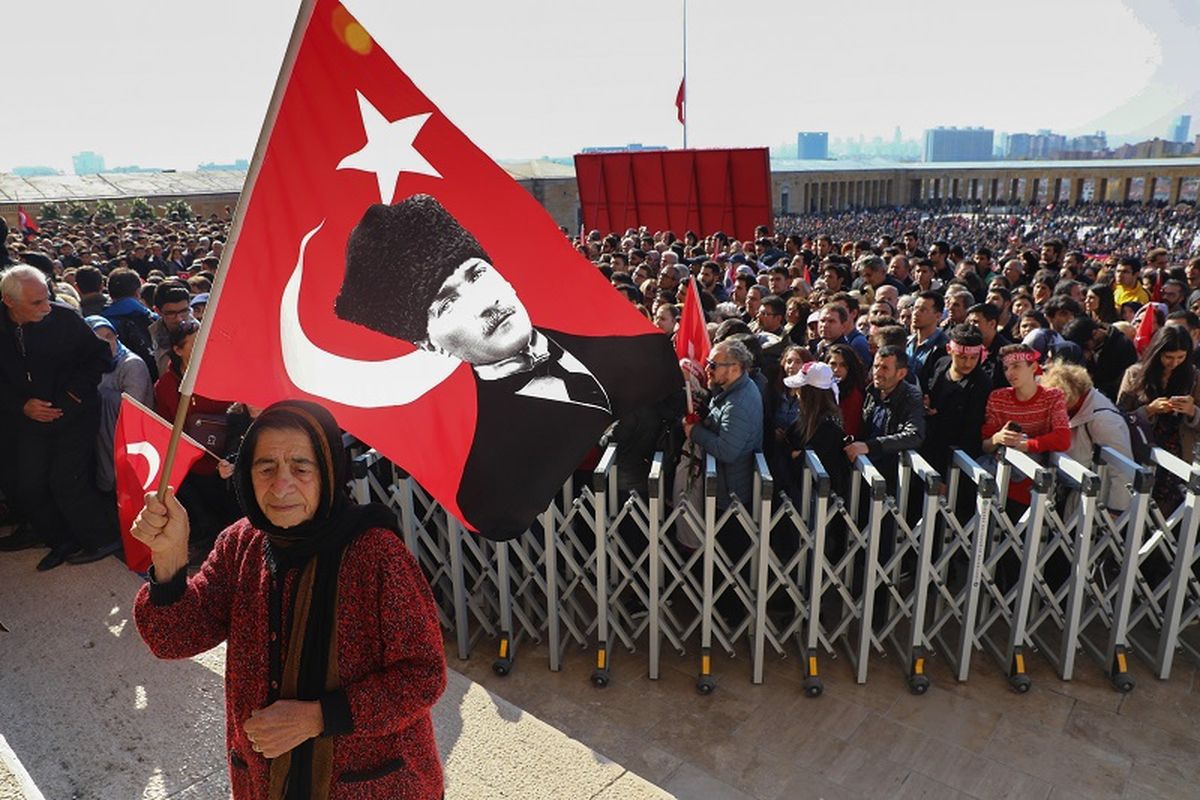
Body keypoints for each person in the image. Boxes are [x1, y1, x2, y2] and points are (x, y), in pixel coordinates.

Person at [131, 400, 446, 800]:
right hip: (265, 783)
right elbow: (173, 640)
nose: (281, 486)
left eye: (301, 467)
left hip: (372, 784)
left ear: (329, 472)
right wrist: (170, 558)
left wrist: (319, 717)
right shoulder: (241, 544)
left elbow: (423, 675)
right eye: (266, 468)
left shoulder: (376, 555)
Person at [331, 195, 678, 539]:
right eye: (448, 304)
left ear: (502, 275)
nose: (483, 303)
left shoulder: (627, 347)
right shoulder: (481, 463)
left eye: (477, 273)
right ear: (429, 343)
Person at [0, 265, 119, 568]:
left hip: (73, 415)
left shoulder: (65, 318)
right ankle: (59, 539)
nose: (46, 308)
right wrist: (21, 405)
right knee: (28, 484)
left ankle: (100, 539)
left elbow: (100, 358)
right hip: (27, 419)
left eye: (47, 298)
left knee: (67, 480)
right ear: (9, 302)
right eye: (36, 303)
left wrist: (71, 399)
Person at [1118, 325, 1200, 509]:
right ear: (1157, 353)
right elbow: (1119, 418)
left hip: (1179, 455)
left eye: (1181, 357)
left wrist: (1192, 411)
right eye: (1168, 357)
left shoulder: (1194, 377)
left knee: (1171, 510)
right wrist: (1149, 410)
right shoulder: (1135, 374)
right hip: (1141, 451)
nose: (1174, 363)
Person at [981, 344, 1071, 506]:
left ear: (1033, 367)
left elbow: (1063, 439)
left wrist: (1026, 444)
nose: (1010, 373)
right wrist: (997, 438)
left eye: (1016, 366)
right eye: (1006, 368)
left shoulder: (1053, 396)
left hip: (1034, 485)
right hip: (998, 482)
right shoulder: (998, 397)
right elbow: (985, 446)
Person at [1041, 361, 1133, 511]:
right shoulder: (1077, 405)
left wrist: (1115, 511)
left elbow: (1122, 469)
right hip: (1073, 488)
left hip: (1094, 500)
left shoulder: (1103, 419)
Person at [685, 339, 763, 510]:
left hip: (730, 496)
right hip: (727, 486)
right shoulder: (735, 389)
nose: (707, 369)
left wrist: (693, 431)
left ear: (734, 368)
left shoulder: (738, 405)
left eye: (713, 365)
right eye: (707, 363)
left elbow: (726, 451)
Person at [87, 315, 154, 492]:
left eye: (109, 336)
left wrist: (100, 396)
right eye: (98, 338)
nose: (106, 342)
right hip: (100, 436)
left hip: (127, 437)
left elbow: (133, 406)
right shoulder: (89, 364)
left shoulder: (131, 365)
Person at [843, 345, 925, 485]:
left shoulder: (910, 397)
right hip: (863, 469)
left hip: (890, 478)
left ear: (901, 374)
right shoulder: (872, 391)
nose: (877, 373)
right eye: (875, 367)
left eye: (885, 368)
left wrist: (871, 446)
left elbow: (915, 435)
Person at [921, 324, 992, 475]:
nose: (968, 363)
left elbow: (971, 431)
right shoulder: (941, 364)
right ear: (949, 350)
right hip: (928, 444)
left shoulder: (981, 383)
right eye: (962, 357)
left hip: (955, 458)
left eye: (973, 358)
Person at [783, 360, 850, 500]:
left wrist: (794, 454)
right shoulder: (807, 418)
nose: (796, 393)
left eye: (799, 388)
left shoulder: (829, 427)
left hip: (817, 502)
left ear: (809, 393)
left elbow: (800, 460)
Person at [824, 342, 865, 438]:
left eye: (843, 365)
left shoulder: (853, 395)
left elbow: (849, 429)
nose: (836, 370)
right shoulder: (821, 389)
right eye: (833, 364)